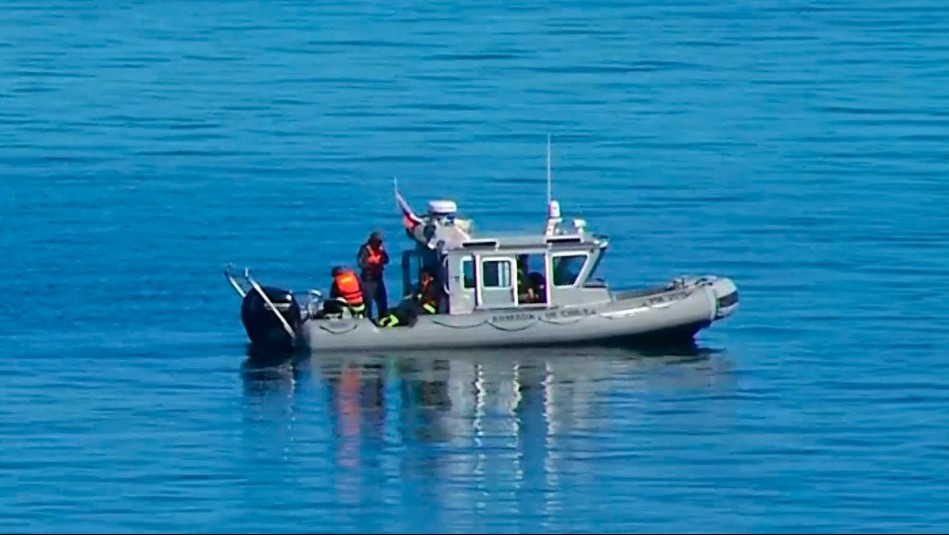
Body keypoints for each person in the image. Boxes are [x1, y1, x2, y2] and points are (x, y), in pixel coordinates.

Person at [356, 230, 389, 320]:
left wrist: (382, 255)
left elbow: (386, 260)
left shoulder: (380, 249)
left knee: (382, 302)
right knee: (368, 303)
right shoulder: (365, 249)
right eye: (377, 242)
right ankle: (368, 321)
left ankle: (383, 320)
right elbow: (360, 264)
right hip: (367, 281)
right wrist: (371, 264)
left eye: (380, 242)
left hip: (378, 279)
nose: (379, 244)